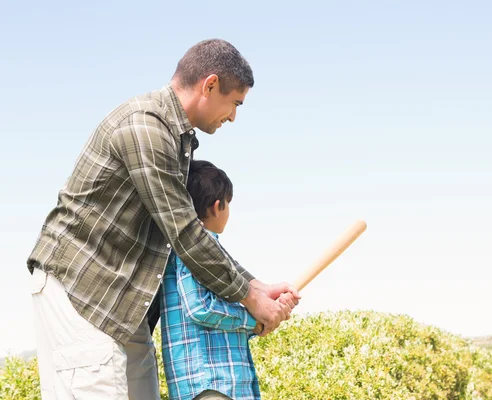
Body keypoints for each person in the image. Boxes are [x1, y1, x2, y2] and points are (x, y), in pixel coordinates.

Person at [27, 38, 300, 399]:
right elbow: (185, 232)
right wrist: (251, 298)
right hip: (82, 290)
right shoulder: (145, 127)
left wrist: (256, 285)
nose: (234, 116)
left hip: (124, 302)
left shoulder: (176, 138)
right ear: (210, 84)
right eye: (235, 103)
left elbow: (187, 229)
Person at [162, 160, 295, 400]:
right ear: (216, 207)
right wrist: (253, 319)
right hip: (209, 384)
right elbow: (200, 308)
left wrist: (267, 315)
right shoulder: (192, 250)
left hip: (223, 384)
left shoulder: (217, 259)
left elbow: (225, 322)